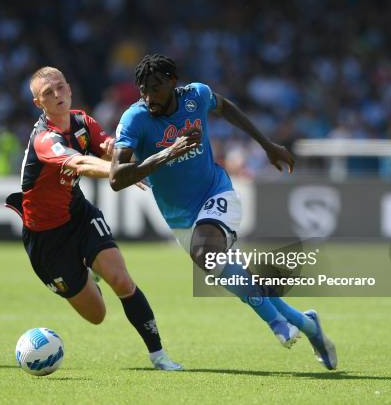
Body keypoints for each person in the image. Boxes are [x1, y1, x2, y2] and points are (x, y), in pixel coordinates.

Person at [109, 54, 337, 370]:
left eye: (156, 88)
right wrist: (168, 153)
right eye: (143, 90)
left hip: (217, 192)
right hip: (179, 217)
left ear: (174, 82)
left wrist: (268, 145)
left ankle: (277, 324)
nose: (149, 97)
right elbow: (117, 178)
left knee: (207, 252)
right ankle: (307, 323)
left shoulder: (196, 96)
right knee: (229, 273)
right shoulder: (135, 119)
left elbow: (226, 107)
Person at [5, 66, 182, 371]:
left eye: (60, 87)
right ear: (39, 103)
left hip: (78, 214)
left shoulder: (82, 121)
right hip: (46, 240)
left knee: (122, 280)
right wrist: (120, 170)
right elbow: (83, 164)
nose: (57, 95)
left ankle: (159, 355)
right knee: (97, 315)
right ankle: (87, 274)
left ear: (69, 88)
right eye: (48, 93)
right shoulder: (44, 140)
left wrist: (115, 154)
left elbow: (104, 149)